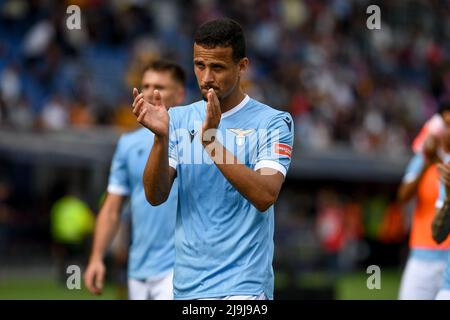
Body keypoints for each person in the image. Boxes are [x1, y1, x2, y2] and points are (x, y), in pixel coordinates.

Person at [132, 18, 294, 300]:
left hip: (243, 288)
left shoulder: (273, 122)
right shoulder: (179, 119)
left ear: (242, 66)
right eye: (199, 65)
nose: (206, 77)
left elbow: (266, 194)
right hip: (187, 288)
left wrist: (210, 143)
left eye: (217, 67)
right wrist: (160, 139)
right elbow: (155, 195)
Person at [84, 60, 186, 300]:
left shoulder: (192, 138)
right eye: (146, 85)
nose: (151, 92)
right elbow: (112, 207)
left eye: (159, 86)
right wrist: (96, 257)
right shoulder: (127, 144)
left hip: (180, 268)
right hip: (138, 269)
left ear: (180, 94)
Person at [397, 107, 450, 299]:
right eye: (445, 124)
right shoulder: (422, 159)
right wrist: (427, 164)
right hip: (422, 254)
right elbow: (402, 196)